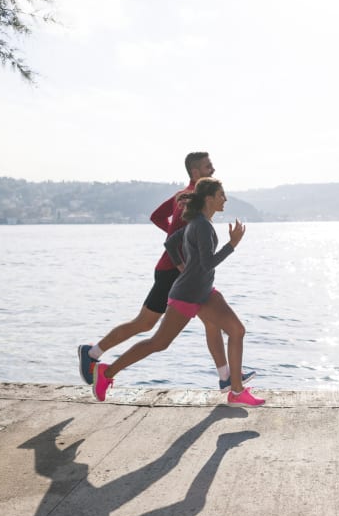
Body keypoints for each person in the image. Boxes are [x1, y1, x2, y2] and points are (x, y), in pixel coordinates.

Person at [77, 153, 255, 392]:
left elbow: (158, 218)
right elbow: (170, 235)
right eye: (207, 166)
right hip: (173, 271)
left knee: (212, 323)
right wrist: (182, 256)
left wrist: (183, 241)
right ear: (194, 172)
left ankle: (227, 378)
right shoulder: (187, 198)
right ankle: (94, 353)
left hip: (188, 273)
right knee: (146, 325)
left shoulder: (193, 197)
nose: (213, 170)